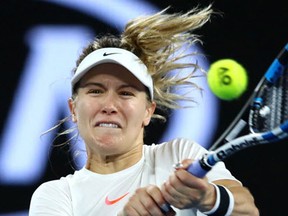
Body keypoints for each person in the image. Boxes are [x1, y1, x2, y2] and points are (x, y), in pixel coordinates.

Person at [29, 4, 259, 216]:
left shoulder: (178, 154)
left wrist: (209, 197)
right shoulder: (55, 196)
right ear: (73, 109)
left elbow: (248, 211)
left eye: (126, 93)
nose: (109, 106)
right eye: (96, 91)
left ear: (148, 111)